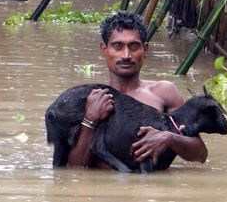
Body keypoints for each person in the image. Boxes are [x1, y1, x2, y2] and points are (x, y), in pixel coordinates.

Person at [67, 10, 208, 169]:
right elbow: (75, 171)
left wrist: (168, 138)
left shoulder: (164, 93)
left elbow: (201, 154)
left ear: (145, 50)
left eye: (133, 46)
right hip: (105, 190)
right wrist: (90, 119)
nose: (126, 55)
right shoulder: (89, 100)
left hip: (151, 191)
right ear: (104, 49)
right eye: (118, 46)